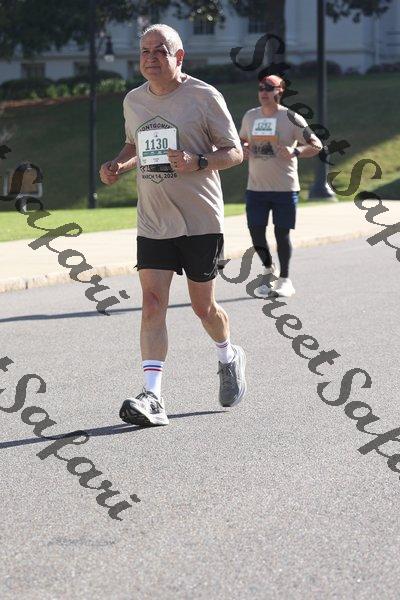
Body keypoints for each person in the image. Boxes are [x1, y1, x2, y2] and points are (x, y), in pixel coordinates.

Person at [99, 24, 246, 427]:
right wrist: (118, 165)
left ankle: (228, 355)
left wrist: (199, 161)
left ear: (179, 57)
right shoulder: (133, 100)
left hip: (200, 219)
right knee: (152, 304)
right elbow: (135, 143)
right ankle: (153, 396)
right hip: (154, 219)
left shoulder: (204, 96)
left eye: (159, 51)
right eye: (144, 51)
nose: (150, 58)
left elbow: (234, 152)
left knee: (203, 307)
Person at [239, 75, 323, 297]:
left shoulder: (291, 117)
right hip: (256, 188)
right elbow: (241, 140)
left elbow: (316, 145)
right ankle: (269, 270)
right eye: (261, 88)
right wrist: (243, 148)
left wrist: (295, 151)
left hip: (285, 188)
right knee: (256, 233)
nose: (263, 92)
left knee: (281, 234)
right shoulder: (250, 116)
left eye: (269, 88)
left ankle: (285, 279)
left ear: (280, 91)